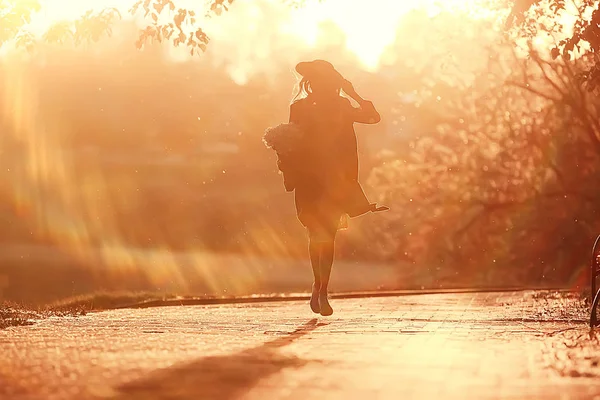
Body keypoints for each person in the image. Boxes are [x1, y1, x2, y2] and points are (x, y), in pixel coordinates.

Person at [287, 59, 388, 316]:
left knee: (328, 235)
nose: (323, 84)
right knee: (315, 233)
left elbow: (373, 117)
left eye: (327, 79)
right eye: (318, 79)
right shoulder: (299, 107)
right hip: (309, 178)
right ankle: (318, 285)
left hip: (335, 180)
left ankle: (322, 289)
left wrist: (353, 92)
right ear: (312, 82)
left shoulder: (342, 106)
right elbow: (292, 139)